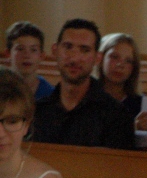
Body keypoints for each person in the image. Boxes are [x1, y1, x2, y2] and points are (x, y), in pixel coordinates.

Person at [31, 18, 135, 149]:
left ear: (97, 58)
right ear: (55, 51)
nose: (74, 58)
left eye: (84, 50)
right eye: (68, 47)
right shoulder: (37, 112)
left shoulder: (116, 116)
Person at [97, 33, 143, 117]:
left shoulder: (139, 105)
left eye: (128, 61)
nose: (120, 65)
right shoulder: (86, 97)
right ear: (101, 58)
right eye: (114, 57)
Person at [4, 22, 54, 100]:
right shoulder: (2, 87)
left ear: (41, 56)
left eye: (33, 50)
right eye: (20, 49)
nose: (27, 55)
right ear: (8, 54)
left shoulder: (51, 94)